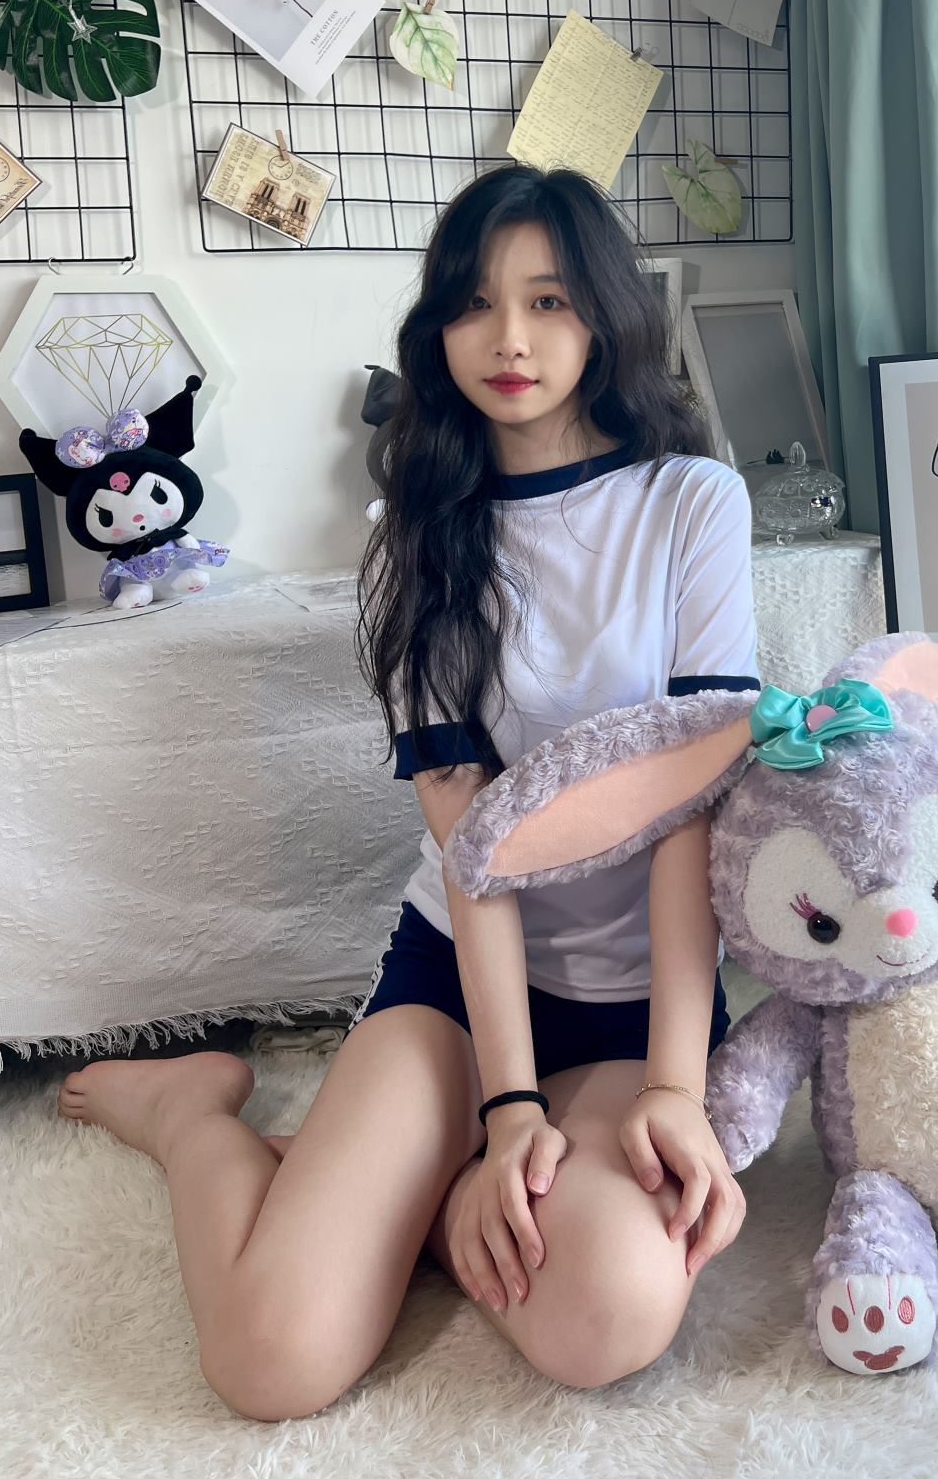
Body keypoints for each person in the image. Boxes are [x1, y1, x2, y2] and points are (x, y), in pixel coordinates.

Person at [56, 165, 760, 1419]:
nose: (510, 339)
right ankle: (190, 1116)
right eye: (474, 303)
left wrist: (672, 1090)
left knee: (608, 1314)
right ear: (437, 328)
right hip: (458, 990)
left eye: (549, 300)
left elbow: (686, 814)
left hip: (635, 1008)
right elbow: (474, 846)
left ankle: (401, 1193)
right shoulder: (416, 537)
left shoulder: (689, 503)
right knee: (270, 1365)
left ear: (605, 314)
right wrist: (508, 1110)